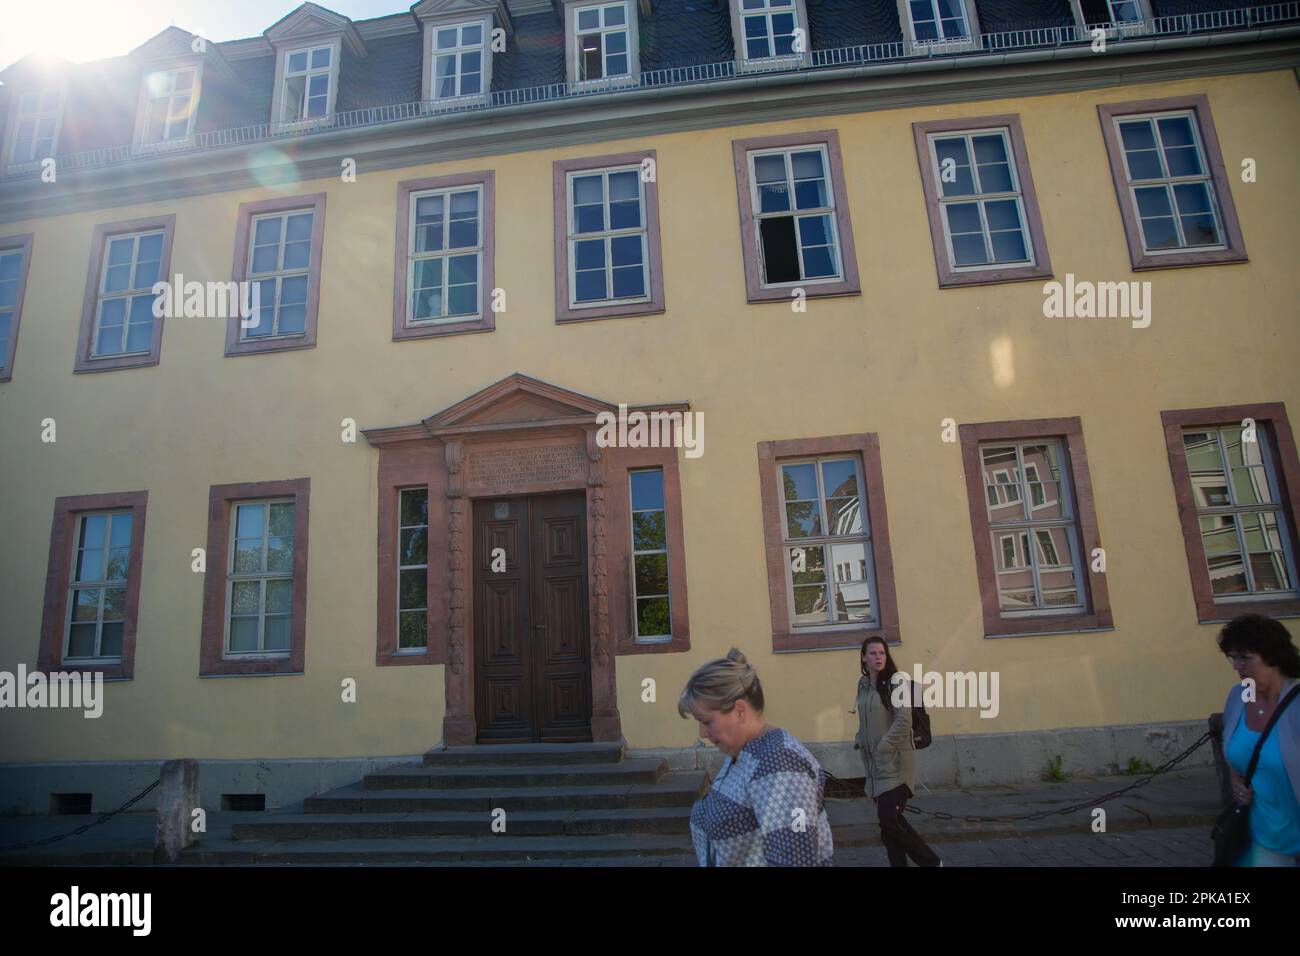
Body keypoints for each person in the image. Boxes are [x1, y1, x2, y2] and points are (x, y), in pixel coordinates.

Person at [679, 648, 834, 866]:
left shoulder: (779, 764)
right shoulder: (744, 752)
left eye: (706, 722)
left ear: (740, 711)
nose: (702, 734)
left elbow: (793, 861)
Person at [1218, 613, 1300, 867]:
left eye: (1245, 657)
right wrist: (1235, 781)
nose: (1236, 666)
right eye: (1233, 657)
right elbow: (1233, 750)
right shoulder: (1237, 697)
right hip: (1260, 840)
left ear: (1272, 656)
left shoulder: (1297, 703)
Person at [855, 635, 941, 867]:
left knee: (889, 820)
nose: (878, 657)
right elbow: (864, 719)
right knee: (889, 826)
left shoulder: (896, 683)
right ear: (864, 657)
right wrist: (859, 739)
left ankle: (931, 862)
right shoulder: (863, 685)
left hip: (896, 764)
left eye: (882, 653)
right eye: (872, 653)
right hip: (875, 767)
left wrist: (883, 746)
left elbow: (904, 721)